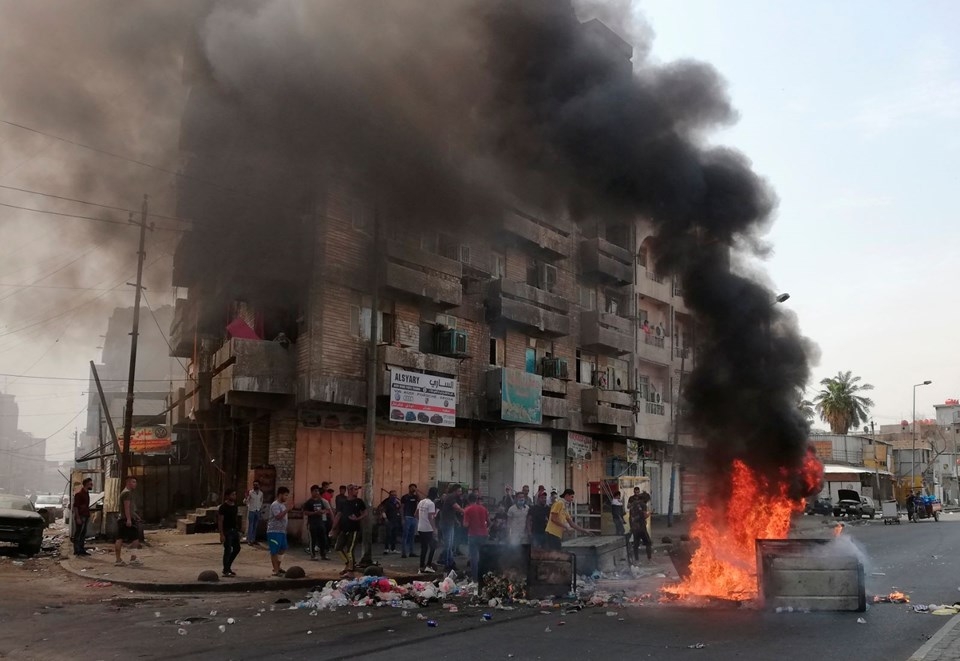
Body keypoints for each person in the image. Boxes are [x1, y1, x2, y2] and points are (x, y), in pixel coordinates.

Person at [332, 484, 367, 576]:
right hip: (344, 529)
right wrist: (333, 528)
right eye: (355, 489)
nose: (357, 491)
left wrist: (358, 518)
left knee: (350, 550)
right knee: (338, 548)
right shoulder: (343, 502)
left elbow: (365, 513)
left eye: (357, 489)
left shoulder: (359, 501)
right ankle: (348, 565)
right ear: (350, 491)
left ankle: (351, 570)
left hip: (354, 529)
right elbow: (338, 515)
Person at [114, 476, 142, 566]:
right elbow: (127, 507)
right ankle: (132, 559)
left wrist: (136, 516)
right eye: (133, 482)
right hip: (126, 519)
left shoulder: (125, 492)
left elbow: (130, 508)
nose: (135, 484)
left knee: (120, 538)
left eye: (135, 482)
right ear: (128, 483)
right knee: (135, 539)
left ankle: (118, 560)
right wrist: (129, 519)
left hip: (123, 518)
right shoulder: (127, 493)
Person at [462, 493, 489, 581]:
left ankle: (475, 578)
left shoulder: (467, 509)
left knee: (474, 558)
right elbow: (488, 521)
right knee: (483, 556)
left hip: (473, 535)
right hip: (484, 535)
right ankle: (485, 576)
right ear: (476, 499)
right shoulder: (483, 508)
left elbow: (465, 525)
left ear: (468, 500)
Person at [302, 484, 332, 560]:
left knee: (323, 539)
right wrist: (315, 513)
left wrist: (322, 511)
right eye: (315, 491)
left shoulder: (320, 501)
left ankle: (323, 555)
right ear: (312, 492)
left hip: (320, 523)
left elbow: (326, 509)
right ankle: (313, 555)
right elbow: (305, 512)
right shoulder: (309, 502)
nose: (317, 492)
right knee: (313, 540)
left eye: (318, 491)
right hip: (312, 524)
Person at [439, 484, 464, 571]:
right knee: (448, 545)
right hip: (447, 524)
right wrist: (467, 512)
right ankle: (447, 564)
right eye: (459, 491)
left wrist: (456, 521)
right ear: (455, 491)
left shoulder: (451, 497)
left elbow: (451, 511)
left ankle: (450, 562)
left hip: (449, 523)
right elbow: (457, 508)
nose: (460, 493)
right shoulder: (451, 497)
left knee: (450, 544)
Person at [267, 486, 290, 576]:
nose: (286, 497)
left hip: (282, 531)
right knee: (274, 551)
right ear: (280, 495)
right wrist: (287, 509)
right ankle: (276, 570)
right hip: (274, 531)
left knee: (283, 548)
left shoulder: (283, 505)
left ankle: (278, 567)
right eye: (285, 495)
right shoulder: (275, 504)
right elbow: (278, 516)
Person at [218, 488, 241, 577]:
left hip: (234, 530)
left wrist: (238, 530)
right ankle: (225, 570)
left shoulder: (235, 506)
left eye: (235, 494)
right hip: (226, 531)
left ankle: (228, 567)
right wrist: (221, 534)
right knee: (227, 550)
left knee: (237, 548)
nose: (234, 496)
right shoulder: (223, 507)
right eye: (232, 495)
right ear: (227, 496)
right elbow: (220, 521)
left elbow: (235, 519)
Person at [416, 487, 439, 573]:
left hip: (420, 527)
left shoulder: (421, 502)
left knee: (424, 547)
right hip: (428, 528)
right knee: (433, 546)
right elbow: (431, 517)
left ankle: (421, 566)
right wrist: (434, 528)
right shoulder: (431, 504)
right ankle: (428, 565)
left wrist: (421, 520)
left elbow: (416, 514)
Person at [628, 491, 653, 562]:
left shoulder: (633, 504)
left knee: (636, 544)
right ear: (646, 499)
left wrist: (631, 527)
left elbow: (631, 516)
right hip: (641, 527)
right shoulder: (643, 505)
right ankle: (649, 559)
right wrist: (650, 513)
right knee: (648, 542)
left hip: (634, 527)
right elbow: (644, 516)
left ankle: (636, 560)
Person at [72, 477, 92, 556]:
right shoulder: (79, 494)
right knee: (79, 533)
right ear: (86, 484)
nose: (91, 485)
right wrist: (77, 517)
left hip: (85, 515)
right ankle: (77, 550)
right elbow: (75, 506)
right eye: (90, 484)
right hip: (81, 515)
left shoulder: (87, 493)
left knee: (83, 533)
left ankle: (81, 549)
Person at [379, 489, 402, 554]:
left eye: (395, 495)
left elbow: (399, 509)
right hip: (389, 520)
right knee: (388, 535)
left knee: (394, 535)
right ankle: (386, 548)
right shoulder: (386, 502)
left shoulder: (396, 502)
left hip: (396, 520)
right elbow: (382, 510)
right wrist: (385, 518)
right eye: (393, 495)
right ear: (390, 495)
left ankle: (393, 549)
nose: (394, 496)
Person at [400, 483, 420, 558]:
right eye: (412, 488)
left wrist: (417, 492)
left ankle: (411, 552)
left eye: (414, 488)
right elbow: (401, 508)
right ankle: (404, 553)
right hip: (407, 517)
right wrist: (402, 518)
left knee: (412, 536)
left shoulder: (415, 497)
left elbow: (420, 501)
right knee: (405, 535)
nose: (413, 489)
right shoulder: (404, 497)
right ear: (409, 488)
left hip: (413, 518)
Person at [244, 480, 264, 545]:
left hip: (257, 510)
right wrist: (247, 500)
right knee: (251, 525)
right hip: (251, 510)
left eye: (257, 484)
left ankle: (253, 539)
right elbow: (246, 501)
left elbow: (261, 501)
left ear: (259, 485)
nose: (255, 486)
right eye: (254, 484)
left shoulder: (261, 493)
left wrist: (260, 508)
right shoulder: (250, 492)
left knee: (255, 526)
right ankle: (249, 540)